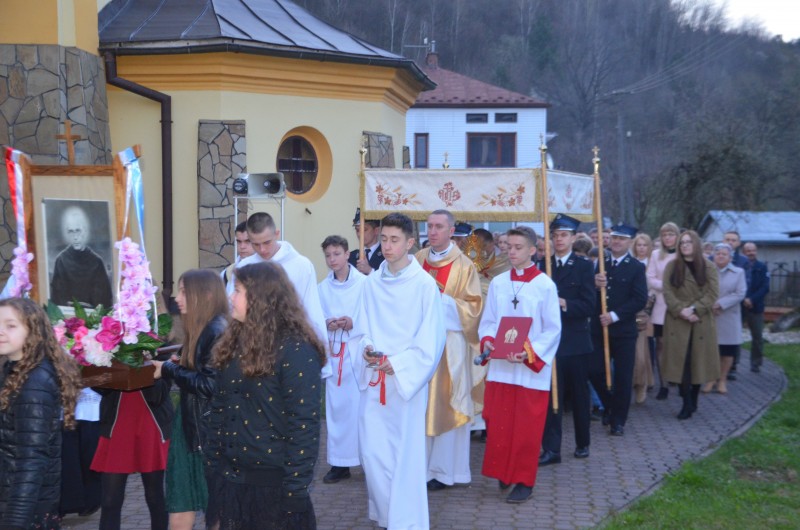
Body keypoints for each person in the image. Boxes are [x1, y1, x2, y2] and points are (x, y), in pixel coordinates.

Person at [205, 262, 324, 529]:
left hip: (275, 489)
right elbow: (219, 409)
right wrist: (213, 467)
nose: (231, 297)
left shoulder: (296, 350)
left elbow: (303, 426)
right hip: (232, 483)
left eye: (238, 291)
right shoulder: (232, 344)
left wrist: (295, 492)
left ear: (260, 298)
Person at [348, 213, 445, 530]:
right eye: (384, 239)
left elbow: (431, 340)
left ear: (410, 242)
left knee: (404, 456)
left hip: (405, 384)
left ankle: (406, 522)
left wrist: (399, 364)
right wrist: (366, 349)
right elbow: (360, 330)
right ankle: (388, 516)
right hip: (374, 380)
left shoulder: (424, 286)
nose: (387, 246)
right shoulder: (371, 283)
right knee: (372, 455)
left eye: (394, 240)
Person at [478, 226, 561, 504]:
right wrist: (489, 341)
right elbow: (489, 321)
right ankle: (504, 471)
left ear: (532, 250)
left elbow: (552, 329)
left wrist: (529, 353)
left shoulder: (545, 285)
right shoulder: (499, 283)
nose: (511, 252)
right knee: (498, 423)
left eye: (517, 247)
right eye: (509, 247)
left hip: (529, 372)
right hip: (501, 369)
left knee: (526, 428)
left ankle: (524, 480)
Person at [152, 269, 229, 530]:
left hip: (207, 433)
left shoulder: (216, 330)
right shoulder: (202, 328)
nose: (177, 297)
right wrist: (178, 363)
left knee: (215, 511)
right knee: (180, 505)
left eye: (184, 291)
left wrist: (169, 369)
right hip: (190, 426)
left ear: (205, 295)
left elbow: (210, 385)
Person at [415, 210, 483, 491]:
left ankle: (445, 472)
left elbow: (473, 309)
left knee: (447, 402)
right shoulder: (417, 260)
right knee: (420, 407)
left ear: (451, 231)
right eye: (429, 226)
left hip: (450, 346)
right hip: (419, 344)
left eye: (439, 227)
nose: (432, 232)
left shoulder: (464, 265)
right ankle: (419, 468)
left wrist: (438, 300)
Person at [0, 298, 81, 529]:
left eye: (10, 325)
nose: (1, 331)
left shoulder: (34, 382)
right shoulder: (13, 370)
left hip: (24, 511)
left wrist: (14, 522)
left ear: (33, 330)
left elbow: (32, 461)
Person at [539, 214, 596, 467]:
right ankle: (552, 449)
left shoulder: (583, 266)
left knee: (580, 396)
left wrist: (563, 303)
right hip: (550, 343)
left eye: (564, 235)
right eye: (555, 235)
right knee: (552, 396)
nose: (559, 239)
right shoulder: (543, 265)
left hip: (575, 341)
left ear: (573, 238)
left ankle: (583, 442)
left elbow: (589, 305)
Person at [229, 212, 328, 351]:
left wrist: (321, 351)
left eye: (267, 242)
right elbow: (233, 308)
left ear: (276, 234)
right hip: (253, 345)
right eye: (256, 244)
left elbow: (312, 309)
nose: (262, 249)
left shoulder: (301, 265)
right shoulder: (244, 267)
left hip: (292, 344)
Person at [588, 223, 648, 436]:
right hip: (598, 329)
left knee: (623, 377)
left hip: (623, 331)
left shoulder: (636, 267)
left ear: (630, 242)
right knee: (594, 370)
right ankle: (609, 405)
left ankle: (618, 420)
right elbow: (589, 293)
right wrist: (595, 284)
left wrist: (614, 316)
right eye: (614, 238)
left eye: (621, 239)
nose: (616, 242)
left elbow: (639, 299)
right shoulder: (601, 263)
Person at [91, 377, 174, 529]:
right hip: (117, 425)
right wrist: (110, 369)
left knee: (154, 495)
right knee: (110, 500)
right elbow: (99, 386)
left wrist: (147, 370)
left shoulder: (163, 361)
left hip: (150, 424)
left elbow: (157, 396)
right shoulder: (109, 359)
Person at [317, 235, 366, 484]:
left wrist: (353, 322)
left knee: (361, 410)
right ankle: (339, 463)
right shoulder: (322, 288)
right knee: (337, 410)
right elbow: (315, 316)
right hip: (335, 356)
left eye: (337, 254)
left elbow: (371, 314)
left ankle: (366, 460)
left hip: (357, 355)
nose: (332, 259)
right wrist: (327, 322)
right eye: (328, 255)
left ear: (348, 254)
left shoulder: (364, 284)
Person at [662, 230, 720, 420]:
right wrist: (681, 310)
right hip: (678, 320)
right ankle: (686, 402)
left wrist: (695, 309)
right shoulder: (672, 266)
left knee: (698, 363)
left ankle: (693, 398)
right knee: (681, 363)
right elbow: (667, 291)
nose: (685, 245)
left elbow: (713, 293)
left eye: (688, 242)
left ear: (696, 244)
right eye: (682, 242)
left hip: (700, 321)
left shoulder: (708, 266)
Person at [50, 205, 113, 308]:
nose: (75, 237)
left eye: (78, 231)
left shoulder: (97, 262)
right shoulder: (61, 261)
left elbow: (104, 300)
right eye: (71, 232)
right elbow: (57, 299)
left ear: (84, 231)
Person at [703, 243, 746, 394]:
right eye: (718, 253)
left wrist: (720, 304)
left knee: (727, 351)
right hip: (710, 315)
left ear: (730, 257)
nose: (720, 256)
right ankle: (711, 379)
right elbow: (701, 290)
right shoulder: (707, 271)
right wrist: (709, 305)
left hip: (728, 316)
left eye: (724, 254)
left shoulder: (738, 272)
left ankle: (722, 380)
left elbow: (740, 293)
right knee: (712, 350)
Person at [646, 222, 680, 400]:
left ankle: (679, 379)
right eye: (664, 235)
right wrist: (667, 286)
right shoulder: (655, 254)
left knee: (678, 345)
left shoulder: (682, 254)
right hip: (660, 304)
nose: (667, 238)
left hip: (679, 305)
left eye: (671, 234)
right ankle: (664, 384)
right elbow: (650, 278)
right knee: (661, 344)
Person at [59, 387, 102, 518]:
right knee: (68, 459)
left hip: (91, 409)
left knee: (90, 457)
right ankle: (67, 502)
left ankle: (91, 500)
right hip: (65, 407)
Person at [631, 233, 655, 404]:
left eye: (644, 245)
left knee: (642, 353)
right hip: (631, 310)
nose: (641, 248)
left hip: (648, 311)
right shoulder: (631, 263)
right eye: (638, 245)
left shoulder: (652, 264)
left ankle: (642, 384)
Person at [741, 242, 770, 373]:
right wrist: (744, 299)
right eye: (748, 250)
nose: (751, 253)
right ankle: (733, 365)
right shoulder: (740, 266)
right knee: (735, 335)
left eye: (753, 250)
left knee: (757, 337)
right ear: (743, 252)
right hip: (740, 305)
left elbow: (765, 287)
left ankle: (756, 363)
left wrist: (751, 299)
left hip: (756, 306)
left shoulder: (762, 267)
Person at [348, 208, 384, 274]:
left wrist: (370, 271)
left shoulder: (386, 255)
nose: (359, 234)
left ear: (376, 230)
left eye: (364, 230)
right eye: (357, 230)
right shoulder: (351, 256)